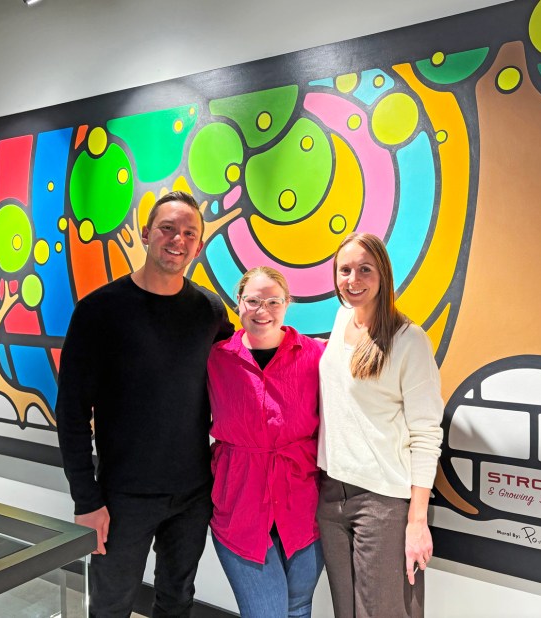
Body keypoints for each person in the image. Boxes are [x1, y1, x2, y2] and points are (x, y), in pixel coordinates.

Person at [56, 191, 233, 618]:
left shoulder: (209, 311)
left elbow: (240, 377)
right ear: (145, 232)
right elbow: (72, 413)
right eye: (168, 228)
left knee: (177, 602)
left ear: (199, 244)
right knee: (110, 606)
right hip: (121, 498)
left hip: (193, 495)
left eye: (190, 233)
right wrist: (86, 500)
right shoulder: (98, 311)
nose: (178, 240)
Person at [316, 233, 444, 618]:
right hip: (330, 494)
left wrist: (417, 522)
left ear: (383, 275)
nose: (353, 280)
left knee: (384, 613)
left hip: (382, 500)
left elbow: (426, 435)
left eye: (364, 270)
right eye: (345, 270)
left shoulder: (409, 341)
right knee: (347, 612)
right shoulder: (340, 321)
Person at [207, 266, 325, 617]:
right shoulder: (216, 359)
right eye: (253, 300)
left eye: (273, 301)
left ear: (288, 303)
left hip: (303, 506)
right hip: (239, 505)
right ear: (238, 302)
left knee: (299, 609)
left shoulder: (315, 356)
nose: (263, 311)